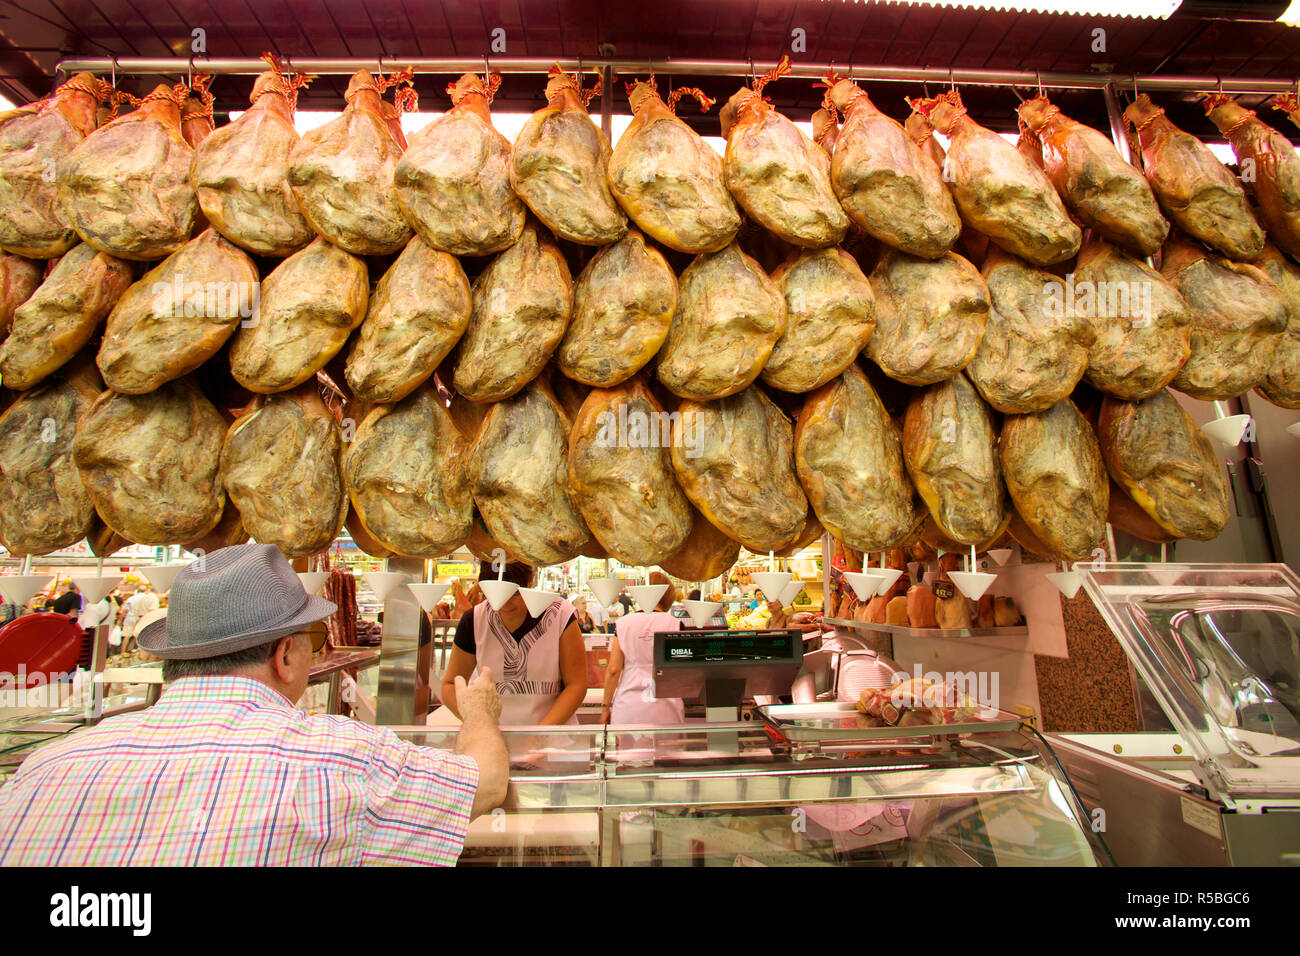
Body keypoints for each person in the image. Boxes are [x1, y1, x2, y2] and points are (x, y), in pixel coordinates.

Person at [0, 543, 509, 866]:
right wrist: (481, 713)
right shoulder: (339, 759)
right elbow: (484, 785)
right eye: (310, 638)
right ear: (286, 655)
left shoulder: (45, 767)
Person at [440, 561, 587, 726]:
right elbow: (450, 684)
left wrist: (539, 735)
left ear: (530, 580)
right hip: (491, 739)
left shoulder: (561, 615)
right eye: (495, 595)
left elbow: (576, 684)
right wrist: (479, 721)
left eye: (515, 594)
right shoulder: (474, 620)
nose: (505, 604)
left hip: (553, 742)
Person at [601, 572, 685, 725]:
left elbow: (613, 669)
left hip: (629, 705)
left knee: (628, 749)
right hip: (667, 706)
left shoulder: (623, 624)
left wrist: (605, 707)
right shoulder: (676, 624)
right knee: (670, 749)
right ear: (668, 596)